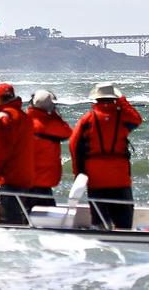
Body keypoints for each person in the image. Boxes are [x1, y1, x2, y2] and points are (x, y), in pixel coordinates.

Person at [69, 82, 142, 229]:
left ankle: (101, 246)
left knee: (100, 222)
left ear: (96, 98)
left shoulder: (87, 119)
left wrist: (79, 173)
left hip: (96, 179)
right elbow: (137, 119)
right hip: (120, 177)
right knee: (124, 223)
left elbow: (74, 145)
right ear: (114, 98)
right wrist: (123, 101)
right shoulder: (123, 118)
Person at [0, 83, 34, 225]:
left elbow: (2, 152)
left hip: (11, 178)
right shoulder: (24, 116)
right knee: (20, 221)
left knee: (10, 226)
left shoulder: (4, 118)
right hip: (26, 176)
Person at [26, 89, 72, 207]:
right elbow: (67, 132)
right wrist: (55, 115)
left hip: (24, 181)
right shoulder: (50, 125)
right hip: (41, 183)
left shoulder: (24, 121)